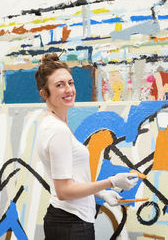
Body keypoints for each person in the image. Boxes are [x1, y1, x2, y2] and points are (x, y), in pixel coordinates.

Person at [35, 53, 138, 240]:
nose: (68, 89)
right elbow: (64, 191)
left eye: (70, 83)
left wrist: (101, 193)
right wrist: (112, 182)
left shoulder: (53, 123)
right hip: (71, 225)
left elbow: (71, 179)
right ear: (44, 94)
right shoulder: (58, 130)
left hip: (66, 220)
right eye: (59, 85)